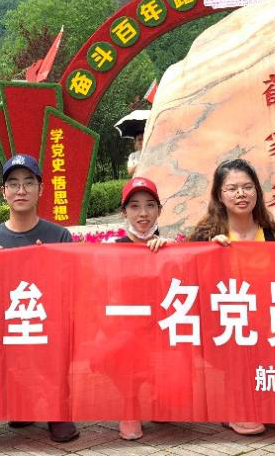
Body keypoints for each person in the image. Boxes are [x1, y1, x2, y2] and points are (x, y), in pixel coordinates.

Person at [0, 155, 78, 445]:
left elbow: (73, 289)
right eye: (13, 184)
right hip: (9, 327)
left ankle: (57, 408)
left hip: (48, 325)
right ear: (3, 192)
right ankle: (22, 398)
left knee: (59, 332)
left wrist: (50, 266)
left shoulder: (59, 236)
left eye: (29, 183)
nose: (21, 190)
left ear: (40, 189)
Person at [189, 159, 275, 436]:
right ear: (219, 195)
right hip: (226, 320)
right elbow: (185, 276)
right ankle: (236, 405)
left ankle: (257, 399)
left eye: (247, 187)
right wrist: (210, 255)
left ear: (257, 191)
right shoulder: (206, 235)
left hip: (268, 319)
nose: (241, 194)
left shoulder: (274, 233)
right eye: (232, 189)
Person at [110, 177, 168, 440]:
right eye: (134, 206)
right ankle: (130, 404)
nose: (143, 213)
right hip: (125, 331)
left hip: (162, 330)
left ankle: (160, 394)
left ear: (159, 210)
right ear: (124, 212)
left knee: (175, 380)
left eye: (150, 205)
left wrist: (166, 254)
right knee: (120, 353)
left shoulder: (170, 247)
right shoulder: (112, 249)